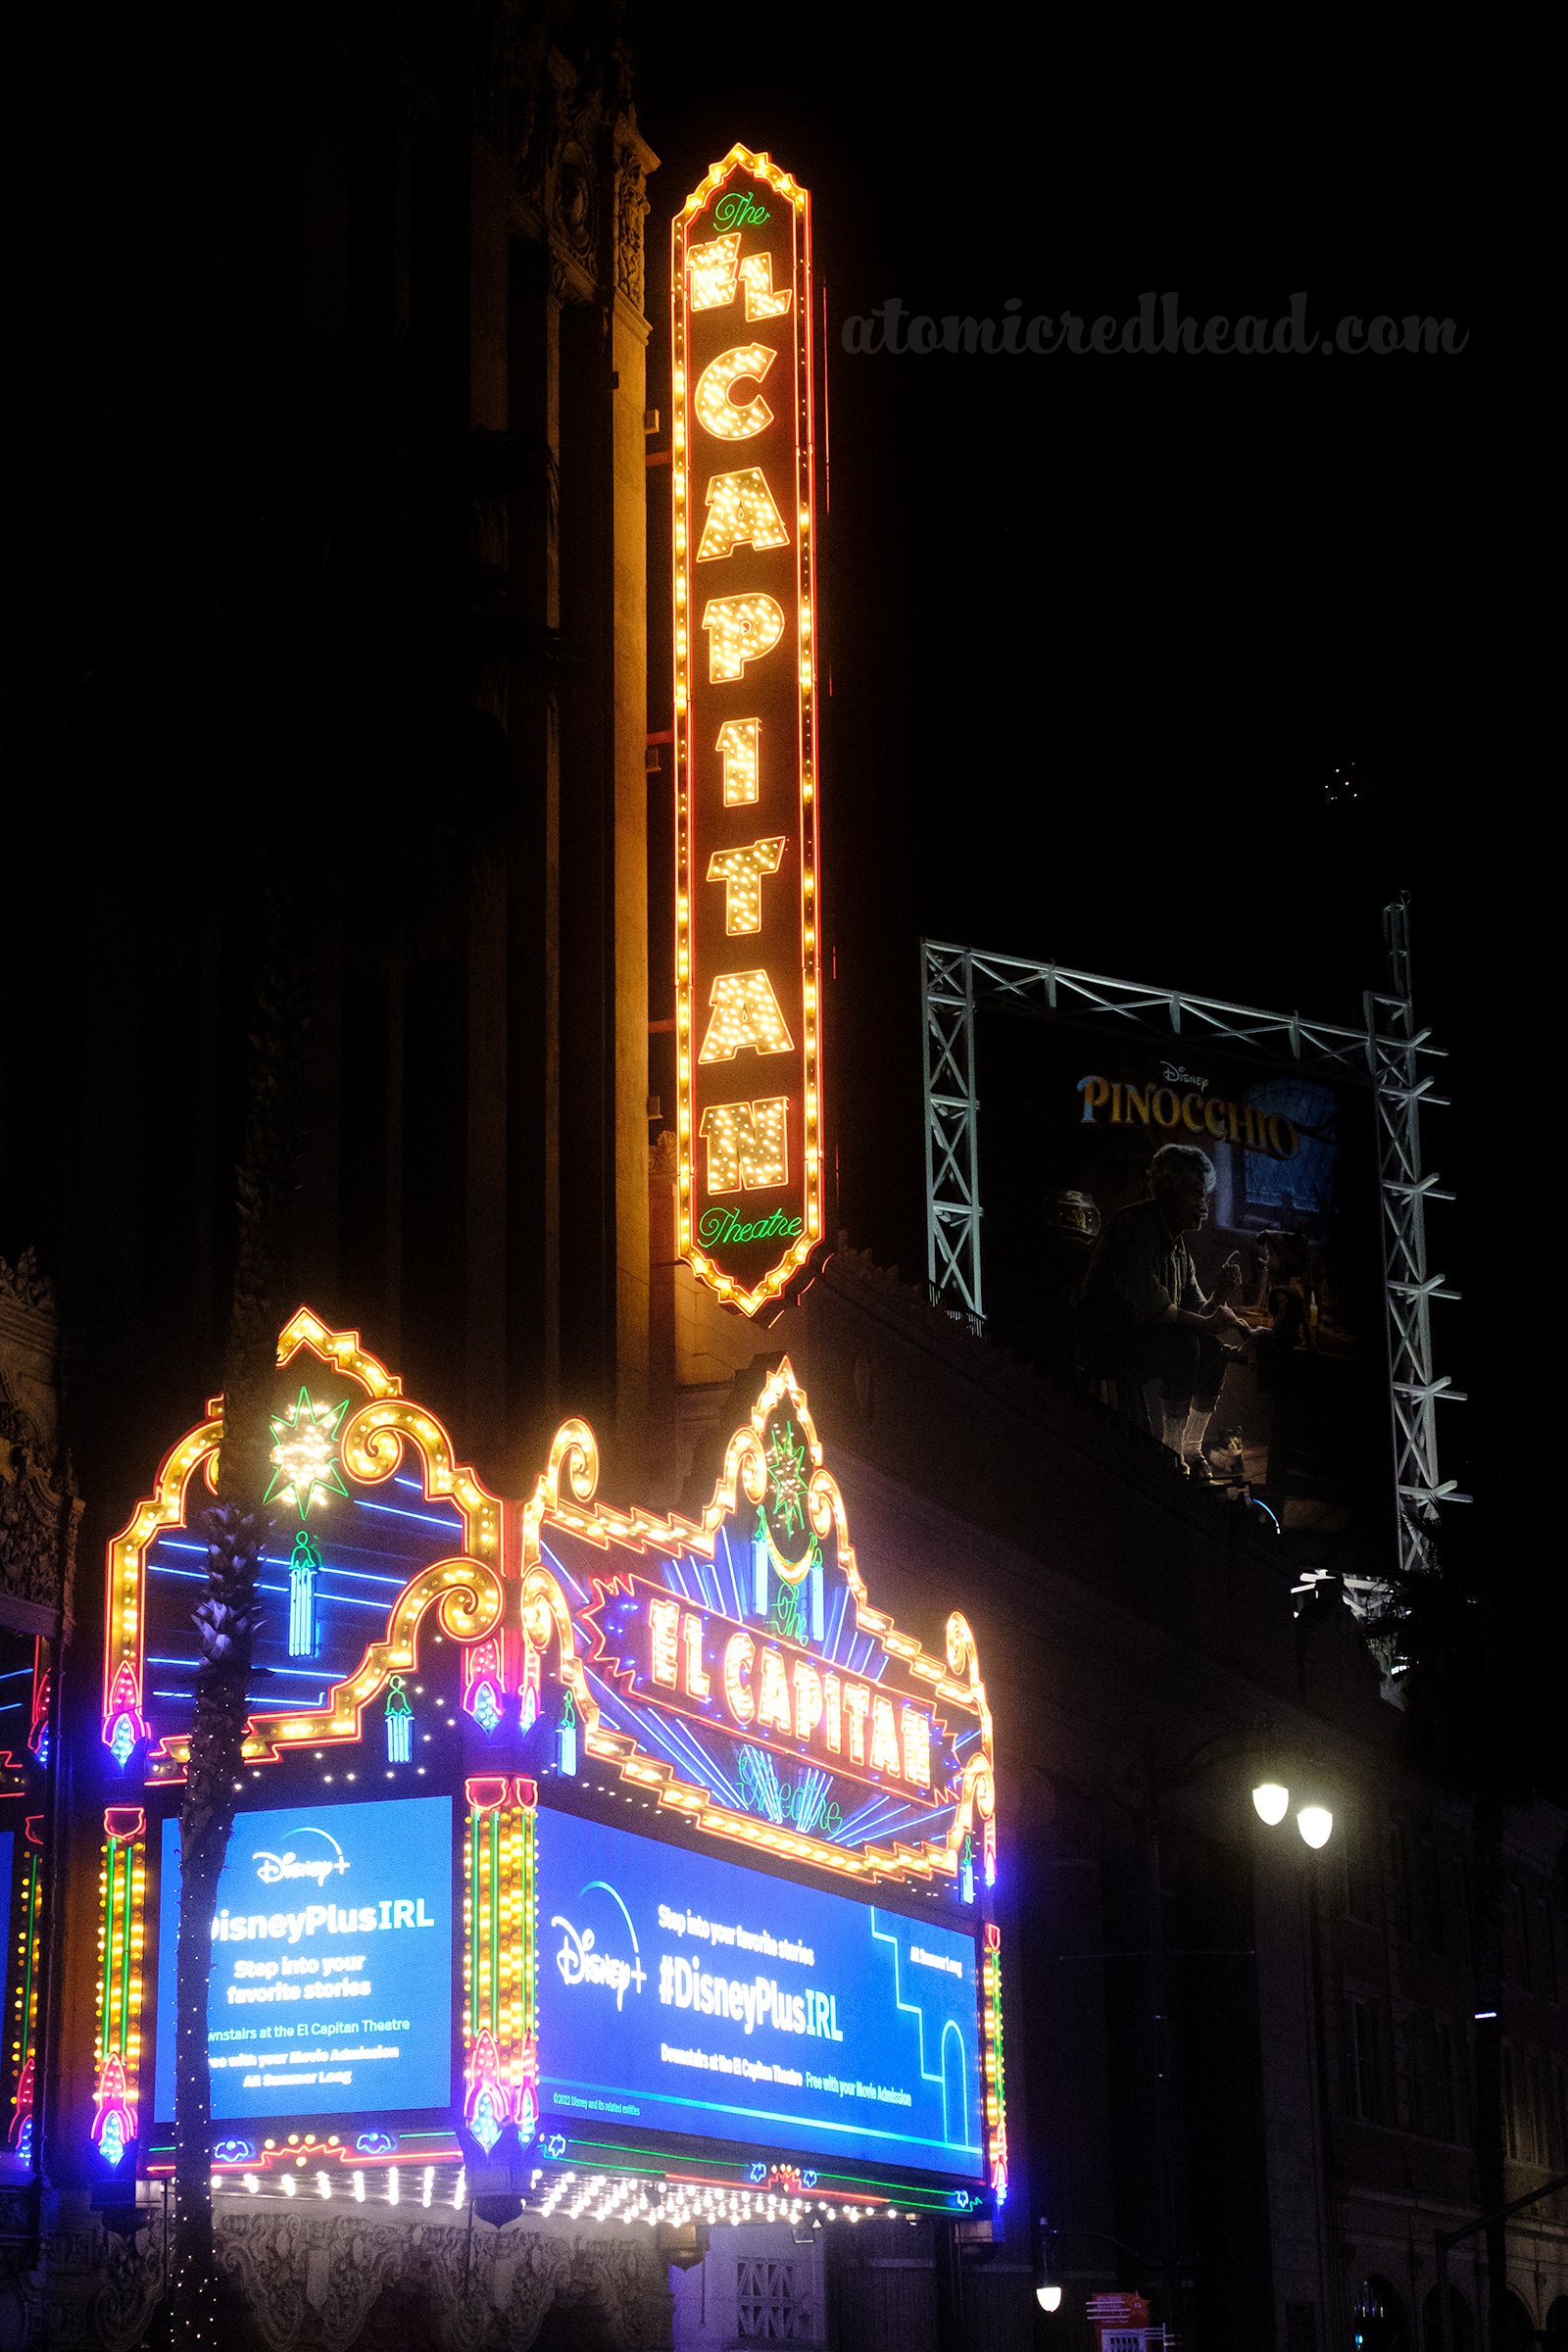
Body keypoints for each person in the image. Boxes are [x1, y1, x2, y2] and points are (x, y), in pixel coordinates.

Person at [1078, 1142, 1250, 1475]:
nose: (1204, 1204)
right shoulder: (1136, 1225)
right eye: (1196, 1193)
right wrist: (1209, 1323)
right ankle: (1172, 1455)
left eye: (1205, 1195)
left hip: (1141, 1336)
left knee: (1212, 1349)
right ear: (1169, 1190)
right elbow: (1154, 1309)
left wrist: (1221, 1296)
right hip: (1107, 1341)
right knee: (1185, 1344)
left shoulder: (1178, 1244)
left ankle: (1191, 1449)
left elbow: (1195, 1309)